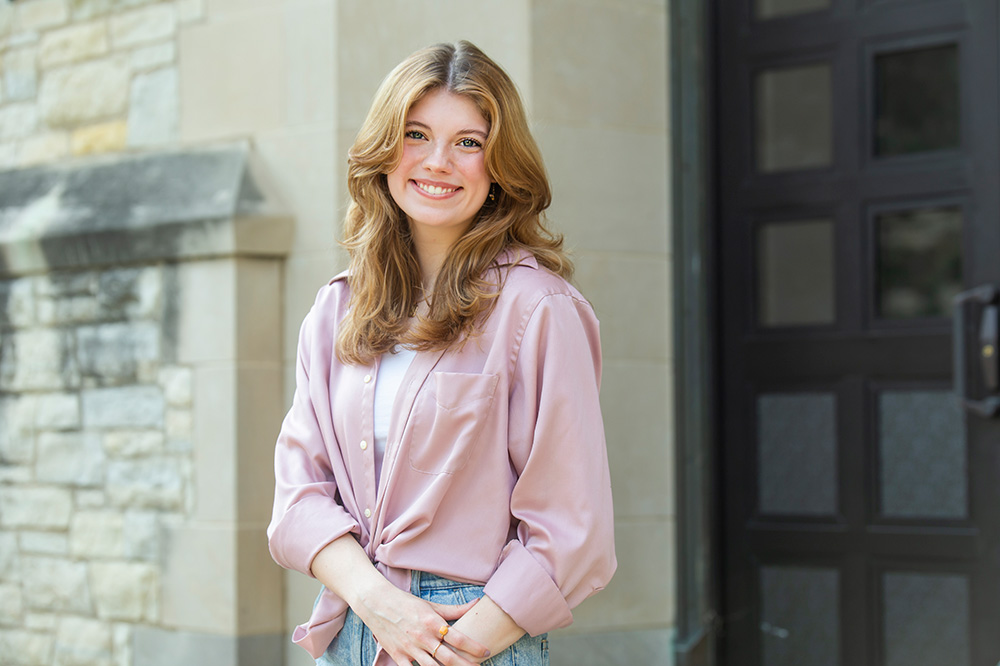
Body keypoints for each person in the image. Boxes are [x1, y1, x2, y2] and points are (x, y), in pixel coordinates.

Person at [267, 40, 616, 666]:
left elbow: (572, 527)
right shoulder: (337, 310)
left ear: (499, 165)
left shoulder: (538, 309)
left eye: (468, 142)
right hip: (354, 624)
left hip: (474, 634)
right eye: (416, 134)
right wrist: (377, 602)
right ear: (385, 148)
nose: (437, 162)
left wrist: (456, 647)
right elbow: (298, 496)